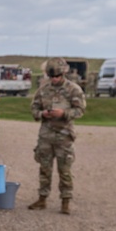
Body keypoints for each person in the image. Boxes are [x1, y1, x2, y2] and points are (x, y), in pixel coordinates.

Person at [28, 57, 87, 214]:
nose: (55, 79)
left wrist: (64, 113)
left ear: (63, 73)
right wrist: (42, 114)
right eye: (52, 76)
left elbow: (80, 110)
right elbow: (34, 109)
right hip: (46, 135)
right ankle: (42, 199)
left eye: (57, 76)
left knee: (65, 170)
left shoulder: (73, 89)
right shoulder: (43, 90)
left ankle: (65, 201)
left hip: (64, 136)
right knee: (44, 168)